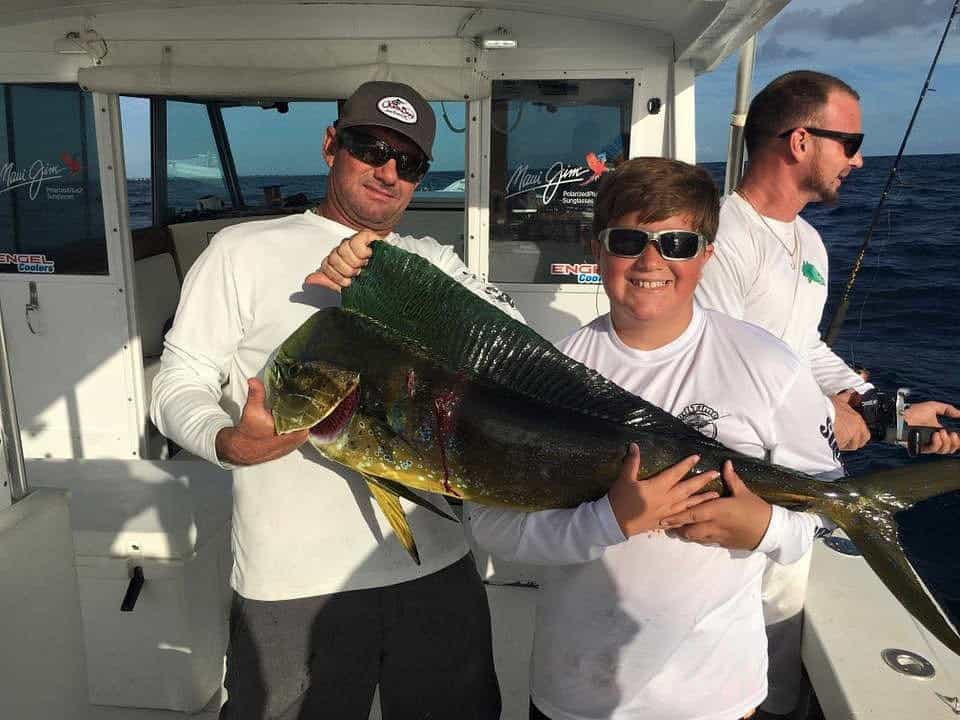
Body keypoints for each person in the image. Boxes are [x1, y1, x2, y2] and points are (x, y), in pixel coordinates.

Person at [151, 80, 520, 720]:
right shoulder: (240, 251)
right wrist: (228, 442)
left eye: (408, 162)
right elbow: (178, 381)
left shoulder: (432, 261)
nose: (386, 171)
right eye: (368, 147)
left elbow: (519, 353)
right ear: (331, 145)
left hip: (436, 564)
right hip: (291, 582)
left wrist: (403, 284)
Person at [464, 157, 845, 720]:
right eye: (628, 240)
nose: (651, 261)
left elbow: (828, 507)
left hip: (715, 697)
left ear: (706, 256)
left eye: (677, 244)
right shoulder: (548, 376)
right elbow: (491, 528)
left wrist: (767, 526)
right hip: (575, 694)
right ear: (598, 251)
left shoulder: (769, 364)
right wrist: (610, 521)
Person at [695, 70, 960, 718]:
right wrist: (823, 418)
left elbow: (800, 348)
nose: (861, 159)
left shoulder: (807, 240)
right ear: (799, 140)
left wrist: (887, 412)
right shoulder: (721, 237)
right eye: (851, 140)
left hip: (797, 502)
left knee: (775, 690)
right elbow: (712, 374)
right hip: (732, 502)